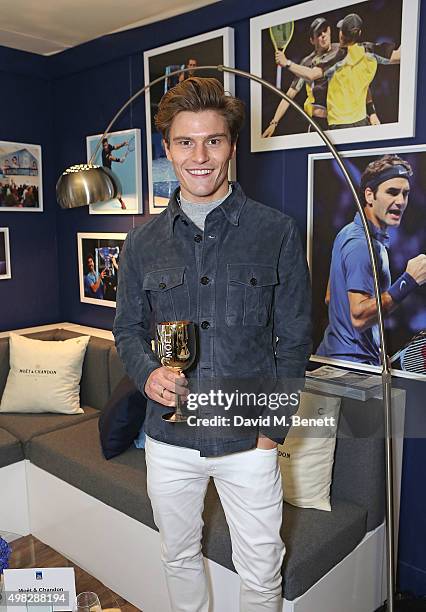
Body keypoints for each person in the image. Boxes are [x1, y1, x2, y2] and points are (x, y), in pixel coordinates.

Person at [113, 77, 312, 612]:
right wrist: (147, 372)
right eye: (185, 142)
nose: (199, 156)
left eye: (213, 141)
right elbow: (127, 329)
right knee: (178, 557)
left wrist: (273, 429)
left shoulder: (277, 231)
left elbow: (294, 339)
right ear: (167, 149)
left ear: (231, 145)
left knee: (262, 574)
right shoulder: (140, 242)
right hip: (169, 441)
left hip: (249, 441)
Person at [317, 155, 426, 365]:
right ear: (369, 195)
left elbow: (331, 297)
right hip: (350, 371)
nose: (401, 201)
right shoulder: (362, 244)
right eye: (392, 192)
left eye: (405, 194)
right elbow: (359, 317)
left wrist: (370, 346)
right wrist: (408, 281)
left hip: (340, 360)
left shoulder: (350, 233)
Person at [275, 13, 400, 130]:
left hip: (343, 122)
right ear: (312, 40)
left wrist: (372, 113)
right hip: (320, 123)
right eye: (318, 33)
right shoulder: (308, 63)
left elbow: (361, 86)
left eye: (325, 31)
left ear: (336, 33)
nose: (323, 35)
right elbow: (290, 94)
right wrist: (274, 121)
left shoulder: (338, 55)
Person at [101, 137, 127, 209]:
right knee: (110, 187)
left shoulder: (109, 146)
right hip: (106, 172)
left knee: (115, 187)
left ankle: (121, 203)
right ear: (102, 146)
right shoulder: (104, 153)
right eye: (104, 146)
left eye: (106, 145)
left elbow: (115, 147)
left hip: (109, 171)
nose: (106, 147)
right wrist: (119, 160)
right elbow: (111, 158)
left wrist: (123, 144)